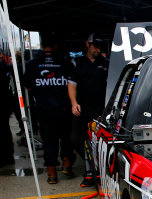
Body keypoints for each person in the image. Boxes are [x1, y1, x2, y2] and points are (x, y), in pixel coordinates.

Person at [24, 34, 73, 184]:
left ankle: (52, 173)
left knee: (49, 141)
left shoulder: (33, 64)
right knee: (66, 138)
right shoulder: (65, 63)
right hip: (63, 109)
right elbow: (74, 83)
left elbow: (26, 86)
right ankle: (66, 162)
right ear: (56, 46)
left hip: (44, 110)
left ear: (41, 44)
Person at [68, 33, 109, 187]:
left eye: (100, 47)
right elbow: (71, 84)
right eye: (95, 46)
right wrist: (74, 103)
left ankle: (96, 172)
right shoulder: (77, 62)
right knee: (76, 139)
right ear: (88, 44)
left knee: (99, 141)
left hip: (100, 109)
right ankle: (90, 168)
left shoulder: (105, 63)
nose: (98, 50)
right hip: (82, 107)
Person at [0, 51, 15, 168]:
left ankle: (6, 156)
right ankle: (8, 156)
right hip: (6, 101)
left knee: (4, 129)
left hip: (4, 101)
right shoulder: (6, 67)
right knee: (5, 128)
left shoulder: (3, 67)